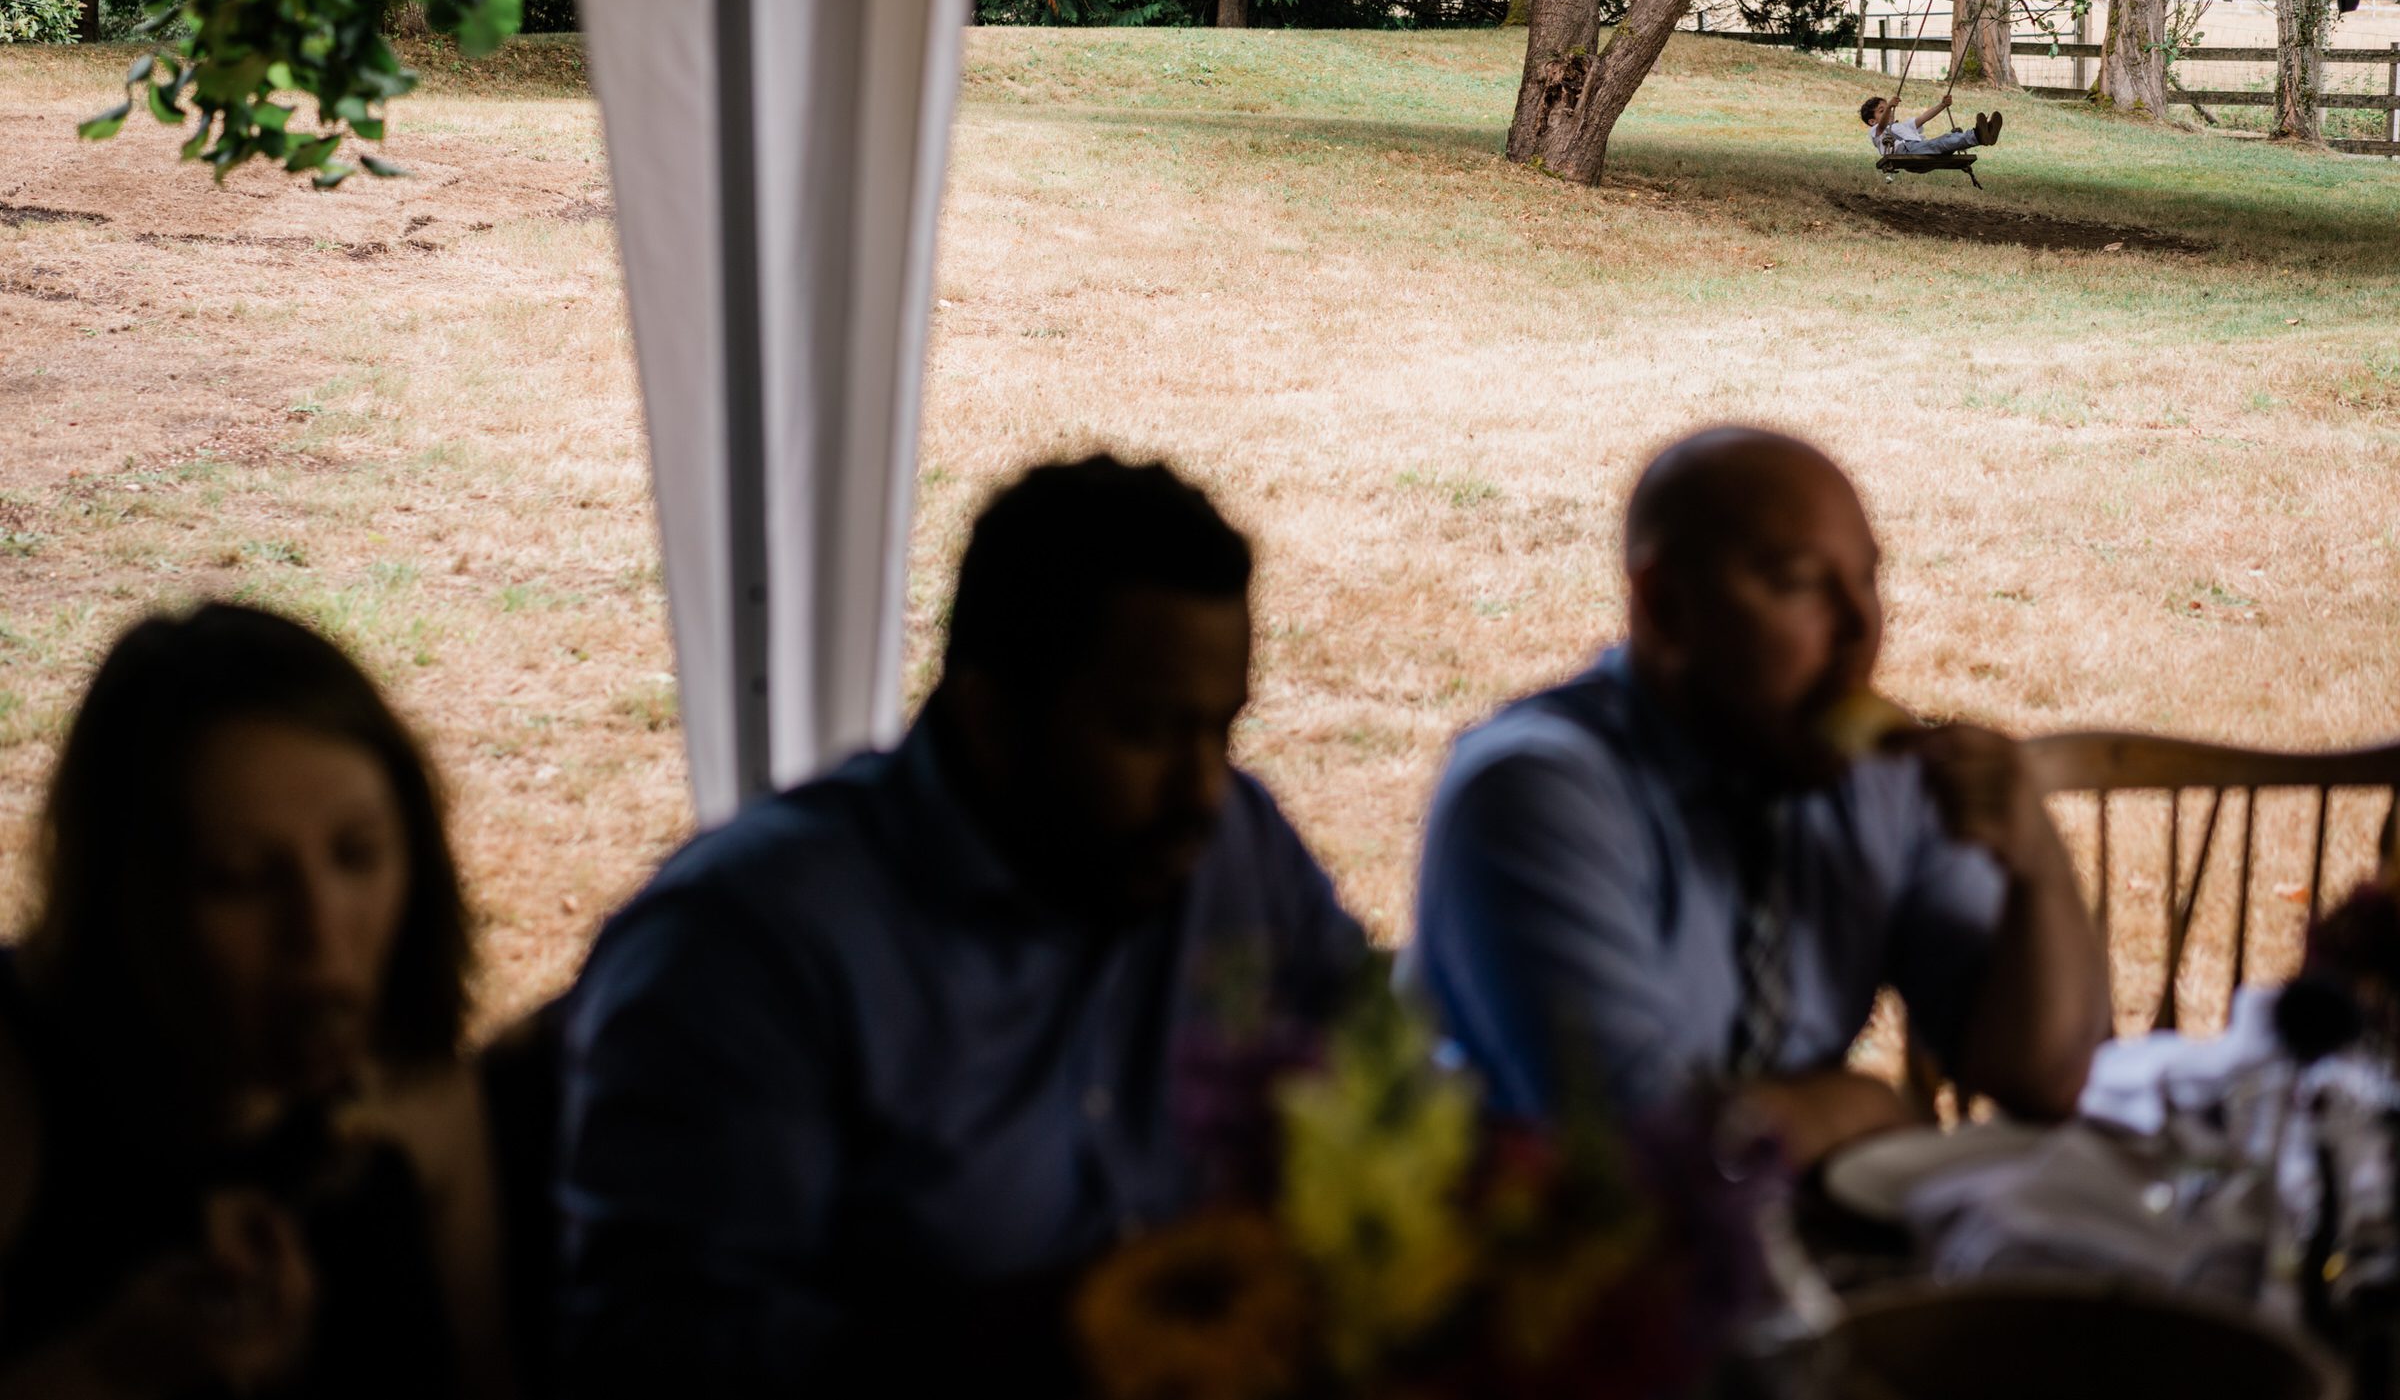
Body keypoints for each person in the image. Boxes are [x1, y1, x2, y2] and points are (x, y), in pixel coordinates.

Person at [556, 455, 1366, 1396]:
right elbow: (663, 1354)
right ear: (987, 714)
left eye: (1224, 730)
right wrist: (1060, 1340)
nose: (1204, 790)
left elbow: (1378, 1075)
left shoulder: (1232, 848)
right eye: (1146, 730)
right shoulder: (752, 948)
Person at [1410, 427, 2108, 1170]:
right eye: (1800, 581)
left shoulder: (1875, 777)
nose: (1858, 628)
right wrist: (1865, 1105)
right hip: (1542, 1269)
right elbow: (1640, 1158)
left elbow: (2048, 1078)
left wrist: (2036, 861)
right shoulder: (1534, 797)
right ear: (1667, 606)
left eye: (1868, 580)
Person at [0, 603, 514, 1399]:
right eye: (240, 878)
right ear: (125, 901)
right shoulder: (20, 1097)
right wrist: (97, 1371)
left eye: (359, 855)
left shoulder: (415, 1096)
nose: (322, 944)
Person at [1862, 90, 2001, 158]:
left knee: (1946, 140)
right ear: (1872, 121)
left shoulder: (1902, 126)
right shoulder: (1877, 131)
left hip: (1919, 149)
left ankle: (1986, 134)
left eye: (1887, 108)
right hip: (1906, 152)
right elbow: (1882, 125)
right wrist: (1890, 107)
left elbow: (1923, 118)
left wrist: (1942, 105)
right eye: (1882, 110)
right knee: (1942, 142)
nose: (1889, 111)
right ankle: (1978, 135)